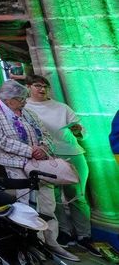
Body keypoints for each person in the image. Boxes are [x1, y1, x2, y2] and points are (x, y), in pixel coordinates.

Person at [0, 80, 78, 261]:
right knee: (27, 206)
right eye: (21, 99)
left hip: (40, 164)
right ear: (9, 100)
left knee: (48, 203)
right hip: (17, 164)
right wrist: (30, 151)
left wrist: (43, 147)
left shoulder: (28, 112)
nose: (24, 102)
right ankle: (33, 244)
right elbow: (0, 139)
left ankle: (52, 242)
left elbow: (44, 134)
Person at [23, 75, 97, 255]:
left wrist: (78, 131)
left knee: (77, 197)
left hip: (72, 154)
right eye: (37, 86)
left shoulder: (61, 107)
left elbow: (83, 132)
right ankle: (63, 233)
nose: (42, 89)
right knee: (53, 198)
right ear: (28, 87)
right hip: (46, 157)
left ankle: (84, 235)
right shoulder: (24, 107)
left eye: (45, 86)